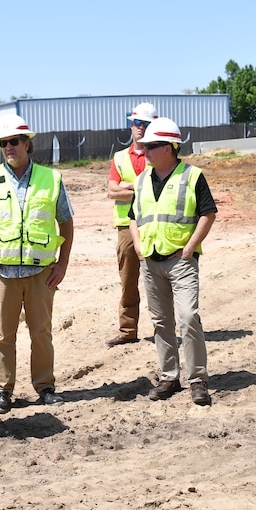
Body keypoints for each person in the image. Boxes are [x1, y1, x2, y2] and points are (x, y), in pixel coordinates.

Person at [0, 114, 75, 415]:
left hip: (40, 273)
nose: (8, 147)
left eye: (14, 142)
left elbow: (66, 222)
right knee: (2, 335)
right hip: (2, 273)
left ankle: (45, 387)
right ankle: (3, 391)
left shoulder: (51, 179)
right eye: (3, 143)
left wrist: (61, 265)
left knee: (41, 332)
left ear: (26, 144)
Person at [130, 117, 217, 405]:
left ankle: (197, 379)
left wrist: (191, 246)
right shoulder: (142, 179)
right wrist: (139, 246)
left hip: (181, 260)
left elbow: (208, 213)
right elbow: (133, 217)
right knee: (160, 321)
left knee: (188, 317)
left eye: (151, 147)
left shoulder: (192, 176)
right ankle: (169, 376)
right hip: (151, 262)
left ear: (168, 147)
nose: (144, 151)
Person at [104, 102, 158, 347]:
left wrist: (127, 185)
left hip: (154, 225)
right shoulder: (119, 157)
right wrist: (137, 187)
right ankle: (128, 330)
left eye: (146, 124)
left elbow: (157, 189)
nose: (141, 128)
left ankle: (163, 329)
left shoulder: (159, 154)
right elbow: (112, 192)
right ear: (131, 124)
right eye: (138, 123)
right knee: (128, 281)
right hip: (126, 226)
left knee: (157, 281)